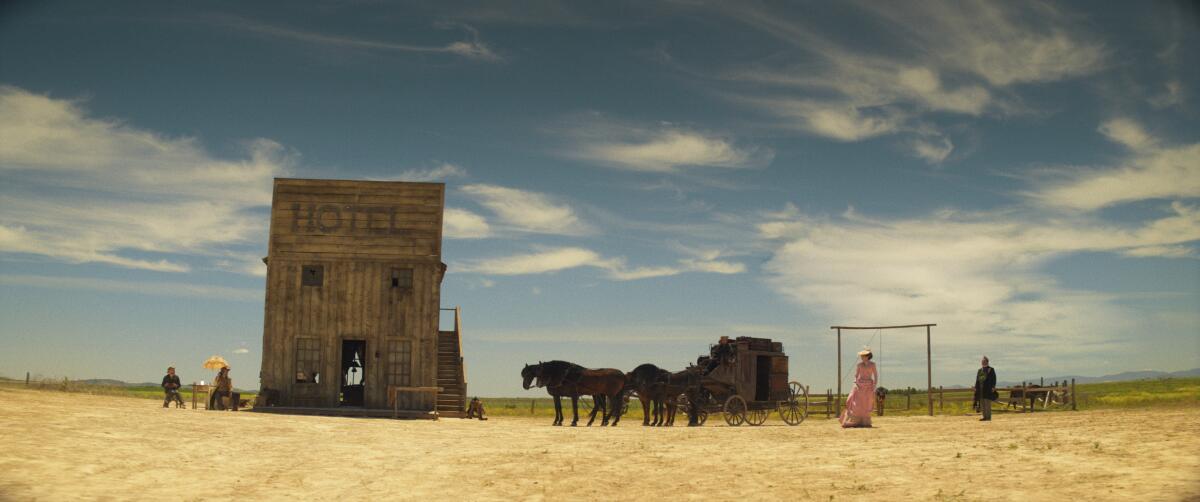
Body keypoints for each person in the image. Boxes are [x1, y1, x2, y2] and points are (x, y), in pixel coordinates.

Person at [840, 348, 877, 428]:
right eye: (861, 356)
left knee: (866, 404)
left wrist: (874, 385)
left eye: (863, 355)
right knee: (855, 404)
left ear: (867, 356)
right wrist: (855, 384)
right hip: (859, 386)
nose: (861, 357)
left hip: (868, 386)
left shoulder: (873, 364)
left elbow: (875, 375)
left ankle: (864, 421)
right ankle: (853, 421)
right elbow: (856, 376)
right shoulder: (859, 365)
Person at [975, 356, 997, 421]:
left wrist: (993, 387)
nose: (983, 362)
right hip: (981, 389)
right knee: (982, 404)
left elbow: (994, 379)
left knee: (987, 404)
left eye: (984, 361)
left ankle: (988, 417)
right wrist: (976, 387)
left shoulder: (991, 369)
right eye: (982, 361)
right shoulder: (979, 370)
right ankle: (984, 417)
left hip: (988, 389)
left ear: (987, 362)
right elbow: (977, 380)